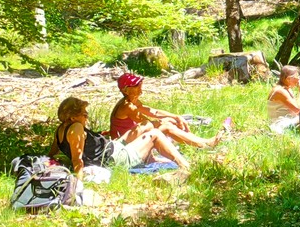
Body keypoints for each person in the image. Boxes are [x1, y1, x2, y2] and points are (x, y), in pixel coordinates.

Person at [50, 97, 189, 179]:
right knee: (155, 135)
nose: (86, 118)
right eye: (84, 115)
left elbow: (51, 154)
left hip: (111, 148)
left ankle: (196, 144)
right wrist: (78, 184)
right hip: (115, 158)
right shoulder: (76, 128)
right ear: (73, 117)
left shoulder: (60, 130)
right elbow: (77, 159)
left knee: (144, 126)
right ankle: (186, 167)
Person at [109, 73, 226, 148]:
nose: (140, 89)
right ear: (125, 90)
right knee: (166, 127)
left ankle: (204, 142)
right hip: (122, 145)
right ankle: (204, 144)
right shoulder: (128, 106)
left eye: (140, 85)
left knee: (168, 123)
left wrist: (175, 117)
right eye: (136, 86)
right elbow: (147, 124)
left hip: (129, 139)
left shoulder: (132, 101)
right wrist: (166, 121)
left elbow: (153, 112)